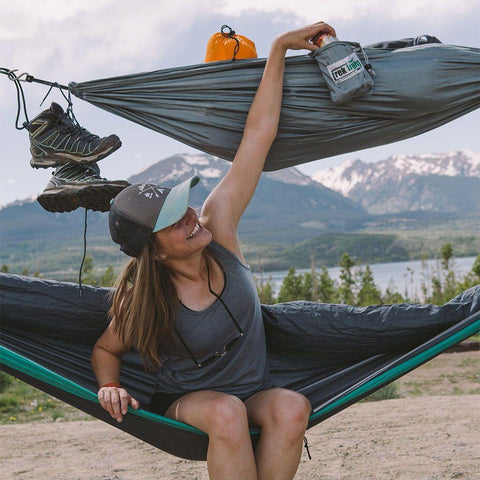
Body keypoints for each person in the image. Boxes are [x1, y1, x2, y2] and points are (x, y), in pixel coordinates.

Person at [91, 21, 336, 480]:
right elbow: (107, 349)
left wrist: (280, 49)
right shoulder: (144, 297)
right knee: (226, 413)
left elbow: (257, 138)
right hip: (191, 403)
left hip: (254, 392)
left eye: (182, 206)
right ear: (155, 252)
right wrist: (109, 386)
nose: (189, 218)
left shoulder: (217, 228)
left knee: (292, 407)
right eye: (172, 220)